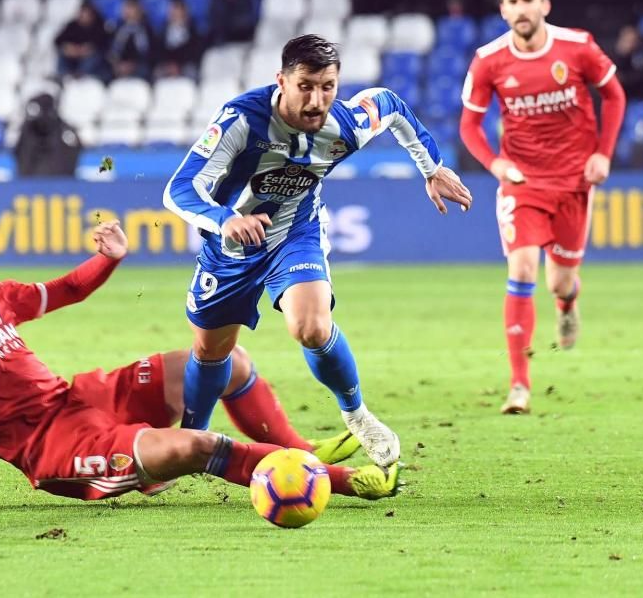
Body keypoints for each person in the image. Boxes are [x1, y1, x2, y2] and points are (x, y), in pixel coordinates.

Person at [0, 225, 398, 512]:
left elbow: (67, 289)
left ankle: (300, 449)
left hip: (80, 398)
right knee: (193, 447)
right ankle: (340, 484)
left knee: (229, 360)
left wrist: (109, 258)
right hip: (51, 451)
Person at [162, 34, 472, 469]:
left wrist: (432, 168)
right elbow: (179, 189)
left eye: (327, 86)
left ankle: (357, 415)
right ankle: (190, 440)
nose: (317, 99)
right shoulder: (241, 120)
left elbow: (391, 106)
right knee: (213, 351)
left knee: (310, 326)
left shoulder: (344, 124)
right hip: (231, 245)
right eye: (306, 85)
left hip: (294, 234)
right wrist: (225, 219)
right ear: (282, 82)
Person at [459, 0, 627, 415]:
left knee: (559, 279)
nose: (520, 10)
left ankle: (567, 301)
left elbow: (614, 96)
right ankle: (519, 385)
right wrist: (496, 164)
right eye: (512, 3)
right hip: (523, 183)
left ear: (544, 5)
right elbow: (469, 125)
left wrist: (603, 154)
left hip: (574, 181)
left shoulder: (577, 47)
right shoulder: (488, 60)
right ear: (502, 9)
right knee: (523, 268)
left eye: (528, 1)